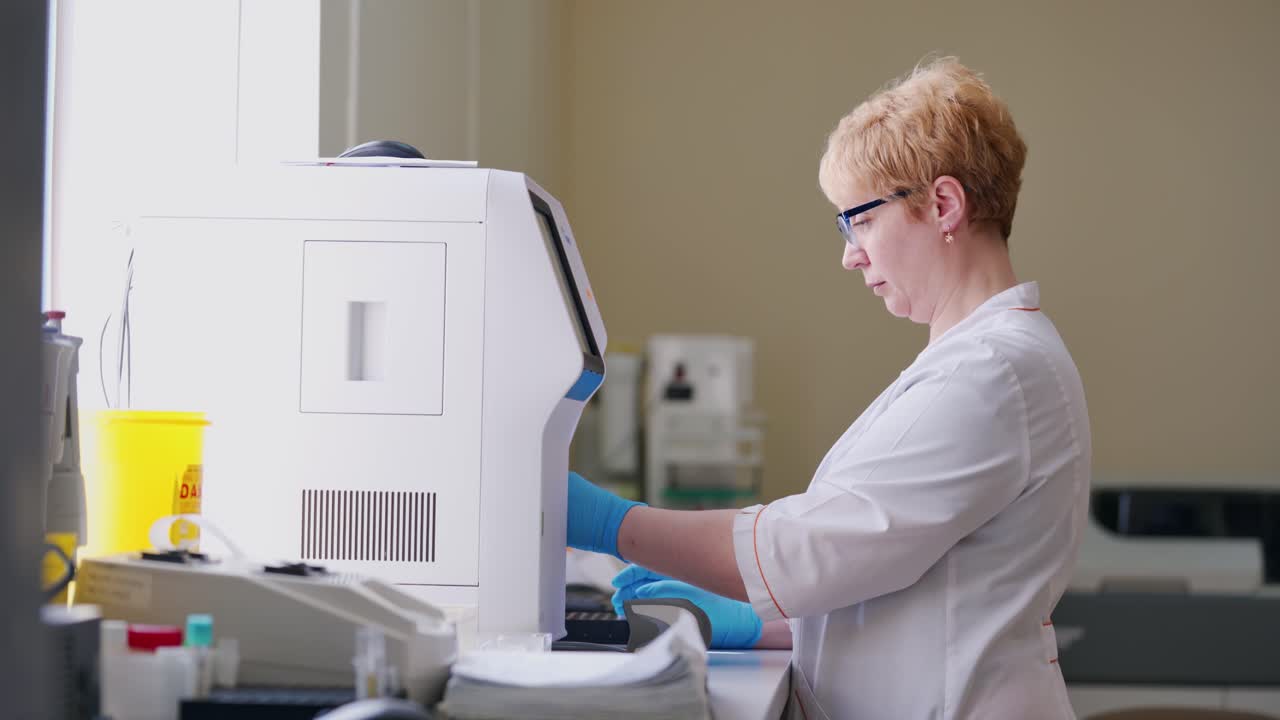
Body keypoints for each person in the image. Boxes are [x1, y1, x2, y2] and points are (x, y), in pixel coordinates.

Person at [568, 57, 1091, 719]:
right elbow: (900, 581)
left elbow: (812, 550)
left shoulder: (993, 374)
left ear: (943, 204)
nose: (850, 253)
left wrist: (612, 524)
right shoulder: (976, 362)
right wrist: (760, 622)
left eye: (861, 220)